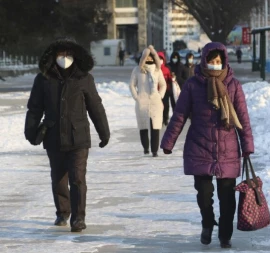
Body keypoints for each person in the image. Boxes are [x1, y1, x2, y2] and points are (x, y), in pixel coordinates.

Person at [160, 42, 254, 248]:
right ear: (204, 61)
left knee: (227, 200)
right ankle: (207, 223)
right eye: (211, 61)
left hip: (227, 150)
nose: (214, 65)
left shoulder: (234, 85)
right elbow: (179, 116)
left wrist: (247, 145)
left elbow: (243, 119)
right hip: (199, 147)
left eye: (218, 61)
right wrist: (168, 142)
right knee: (204, 195)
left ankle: (225, 235)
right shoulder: (193, 85)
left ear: (224, 62)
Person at [24, 37, 110, 233]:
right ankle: (63, 212)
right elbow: (34, 108)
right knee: (58, 178)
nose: (64, 58)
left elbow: (95, 106)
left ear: (75, 56)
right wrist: (31, 131)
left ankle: (79, 218)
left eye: (68, 54)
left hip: (78, 137)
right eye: (60, 54)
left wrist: (103, 132)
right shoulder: (43, 79)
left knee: (78, 178)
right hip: (53, 136)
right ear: (53, 57)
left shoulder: (84, 78)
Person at [130, 45, 167, 157]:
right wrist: (137, 97)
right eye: (147, 57)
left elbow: (163, 84)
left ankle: (155, 150)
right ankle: (146, 148)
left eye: (151, 57)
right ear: (143, 58)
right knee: (143, 126)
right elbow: (132, 85)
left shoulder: (157, 70)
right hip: (142, 101)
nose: (149, 59)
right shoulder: (137, 70)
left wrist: (160, 95)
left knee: (155, 126)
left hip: (155, 101)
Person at [158, 51, 175, 126]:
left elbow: (169, 78)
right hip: (157, 90)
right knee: (159, 106)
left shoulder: (166, 69)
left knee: (166, 105)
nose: (160, 60)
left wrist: (172, 78)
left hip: (166, 90)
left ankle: (166, 119)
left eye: (161, 59)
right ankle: (160, 119)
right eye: (158, 59)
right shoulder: (155, 69)